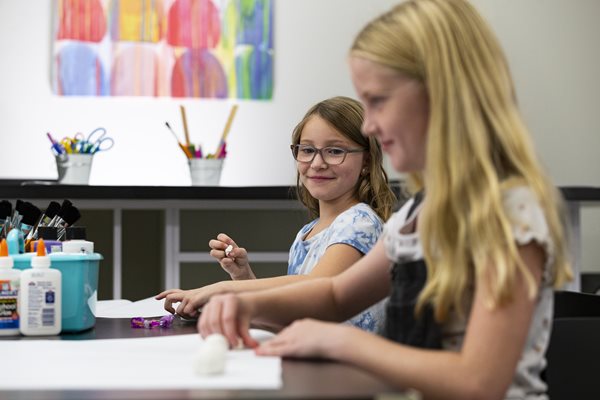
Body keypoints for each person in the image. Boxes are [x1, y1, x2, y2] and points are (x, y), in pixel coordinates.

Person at [196, 1, 573, 399]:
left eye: (378, 101)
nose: (369, 125)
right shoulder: (417, 214)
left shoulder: (507, 212)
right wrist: (246, 304)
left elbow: (479, 381)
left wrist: (339, 342)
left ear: (441, 95)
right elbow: (335, 295)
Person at [156, 96, 396, 333]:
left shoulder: (360, 223)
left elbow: (318, 288)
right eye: (308, 150)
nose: (317, 163)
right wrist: (243, 277)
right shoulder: (307, 232)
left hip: (348, 364)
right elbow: (296, 305)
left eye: (334, 151)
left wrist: (221, 290)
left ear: (366, 161)